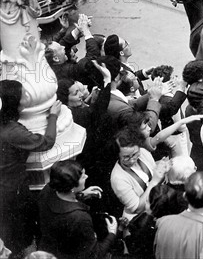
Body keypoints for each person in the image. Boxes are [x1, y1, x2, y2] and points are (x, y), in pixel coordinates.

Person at [0, 81, 61, 256]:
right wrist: (53, 117)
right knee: (20, 227)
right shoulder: (13, 132)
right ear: (14, 103)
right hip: (14, 189)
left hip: (6, 183)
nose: (28, 96)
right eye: (23, 95)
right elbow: (46, 142)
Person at [38, 160, 119, 259]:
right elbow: (94, 255)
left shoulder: (47, 190)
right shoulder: (80, 217)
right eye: (82, 176)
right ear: (72, 186)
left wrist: (80, 194)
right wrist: (112, 233)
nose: (86, 176)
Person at [110, 128, 170, 220]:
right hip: (140, 218)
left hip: (157, 203)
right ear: (118, 155)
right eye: (126, 157)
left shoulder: (144, 152)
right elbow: (137, 208)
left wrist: (162, 169)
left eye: (135, 154)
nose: (132, 160)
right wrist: (154, 182)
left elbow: (156, 174)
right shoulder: (118, 178)